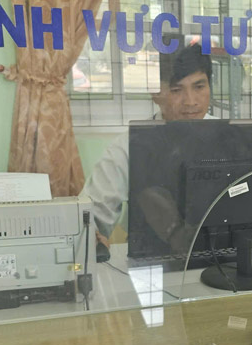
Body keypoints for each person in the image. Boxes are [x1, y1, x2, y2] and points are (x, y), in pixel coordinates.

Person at [82, 43, 217, 239]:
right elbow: (90, 217)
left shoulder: (230, 137)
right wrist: (93, 238)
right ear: (155, 93)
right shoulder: (129, 147)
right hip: (153, 254)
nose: (190, 101)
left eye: (199, 87)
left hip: (225, 250)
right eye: (176, 90)